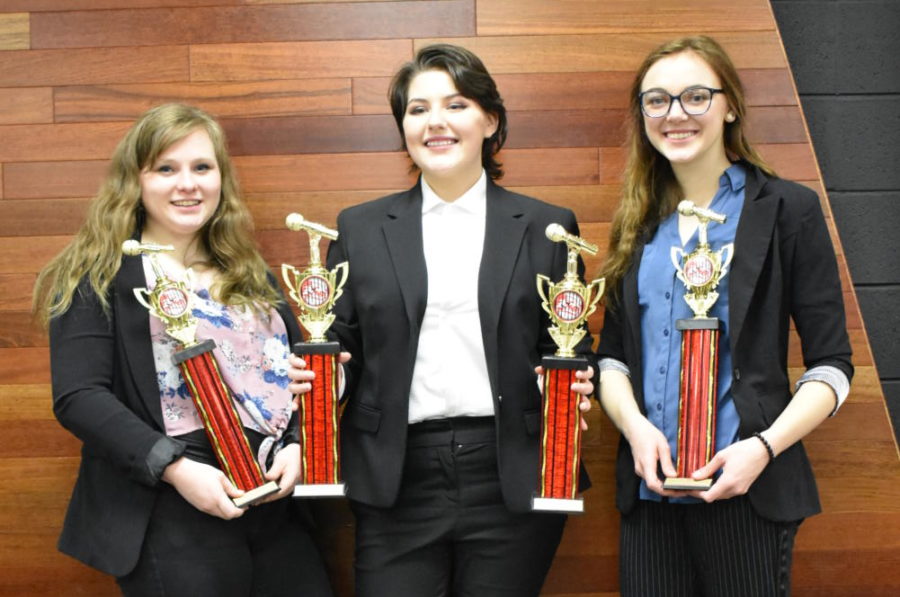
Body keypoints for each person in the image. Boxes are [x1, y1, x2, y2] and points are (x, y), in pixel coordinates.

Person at [288, 43, 595, 597]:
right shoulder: (359, 229)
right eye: (417, 108)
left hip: (511, 473)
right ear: (403, 126)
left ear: (490, 119)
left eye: (455, 105)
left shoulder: (546, 226)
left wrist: (581, 379)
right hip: (397, 475)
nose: (436, 122)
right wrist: (324, 379)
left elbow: (571, 340)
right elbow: (339, 344)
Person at [33, 104, 333, 597]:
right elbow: (79, 396)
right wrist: (177, 469)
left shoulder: (251, 274)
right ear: (136, 182)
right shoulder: (99, 276)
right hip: (169, 502)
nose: (187, 184)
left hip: (274, 507)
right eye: (166, 169)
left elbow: (299, 374)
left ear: (221, 178)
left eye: (202, 167)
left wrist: (301, 443)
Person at [595, 36, 853, 596]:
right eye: (657, 100)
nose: (675, 114)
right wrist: (636, 430)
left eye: (695, 96)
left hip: (747, 488)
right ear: (642, 116)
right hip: (650, 491)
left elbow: (833, 368)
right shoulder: (636, 223)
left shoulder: (787, 209)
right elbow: (610, 357)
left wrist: (761, 449)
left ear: (729, 105)